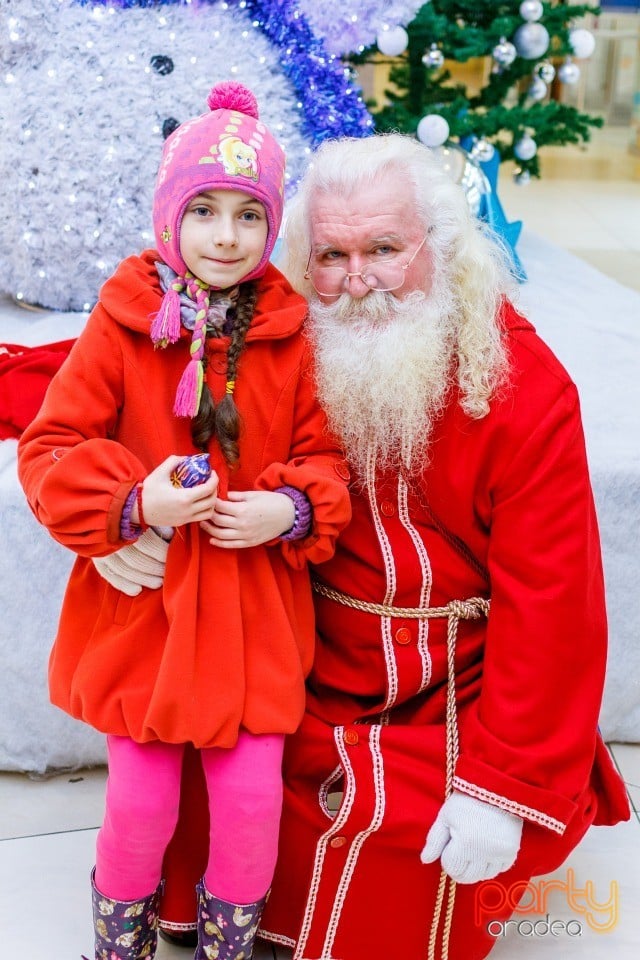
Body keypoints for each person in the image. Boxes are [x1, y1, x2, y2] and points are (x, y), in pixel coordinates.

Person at [92, 132, 630, 960]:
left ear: (439, 248)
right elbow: (104, 383)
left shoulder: (522, 383)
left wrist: (502, 786)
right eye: (332, 255)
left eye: (385, 248)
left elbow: (555, 607)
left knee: (409, 848)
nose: (358, 280)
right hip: (295, 659)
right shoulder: (269, 335)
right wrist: (108, 518)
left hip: (458, 689)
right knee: (197, 796)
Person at [17, 81, 351, 960]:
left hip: (249, 624)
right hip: (148, 626)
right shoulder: (124, 322)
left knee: (248, 807)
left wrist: (288, 506)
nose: (226, 235)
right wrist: (133, 503)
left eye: (249, 215)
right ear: (171, 215)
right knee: (139, 803)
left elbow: (326, 460)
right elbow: (51, 443)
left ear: (272, 227)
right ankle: (117, 941)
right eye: (203, 209)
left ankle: (226, 945)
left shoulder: (292, 334)